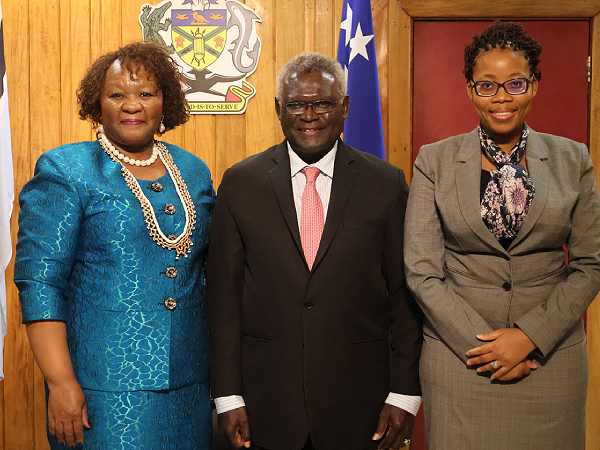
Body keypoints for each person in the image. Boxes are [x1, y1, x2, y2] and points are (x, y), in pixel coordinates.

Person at [206, 52, 423, 450]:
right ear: (278, 109)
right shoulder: (240, 183)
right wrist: (227, 395)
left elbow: (404, 298)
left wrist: (405, 393)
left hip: (360, 407)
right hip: (263, 407)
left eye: (322, 102)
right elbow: (223, 300)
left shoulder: (386, 184)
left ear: (344, 108)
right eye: (296, 103)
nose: (309, 114)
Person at [404, 22, 600, 450]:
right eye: (486, 85)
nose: (501, 98)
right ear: (470, 90)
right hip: (462, 359)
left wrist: (529, 336)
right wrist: (487, 348)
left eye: (515, 83)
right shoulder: (433, 162)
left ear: (534, 85)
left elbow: (589, 264)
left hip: (550, 360)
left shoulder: (573, 159)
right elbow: (421, 270)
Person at [14, 41, 215, 449]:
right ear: (97, 103)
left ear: (166, 103)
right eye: (117, 94)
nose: (132, 105)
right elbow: (40, 283)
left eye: (146, 94)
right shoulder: (65, 170)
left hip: (190, 386)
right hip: (101, 391)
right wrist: (61, 384)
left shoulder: (194, 170)